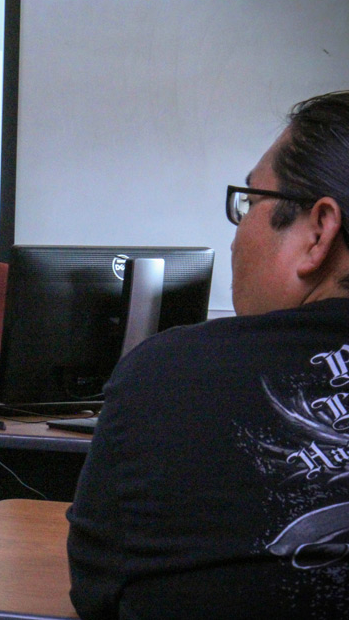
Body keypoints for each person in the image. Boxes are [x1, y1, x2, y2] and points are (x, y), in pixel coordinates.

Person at [67, 90, 349, 619]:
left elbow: (97, 593)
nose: (238, 235)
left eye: (250, 202)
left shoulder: (167, 378)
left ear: (318, 231)